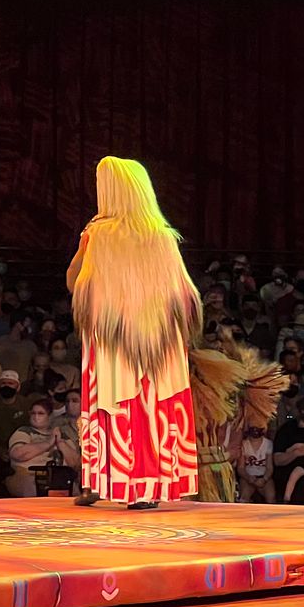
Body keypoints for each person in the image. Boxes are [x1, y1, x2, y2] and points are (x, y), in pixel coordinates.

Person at [66, 156, 200, 509]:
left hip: (112, 339)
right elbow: (183, 298)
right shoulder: (163, 237)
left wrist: (84, 246)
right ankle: (145, 487)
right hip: (158, 342)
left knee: (109, 405)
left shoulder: (99, 235)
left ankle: (100, 480)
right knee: (149, 411)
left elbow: (75, 284)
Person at [6, 397, 80, 497]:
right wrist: (48, 444)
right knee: (31, 486)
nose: (36, 417)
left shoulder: (61, 435)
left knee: (73, 488)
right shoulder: (24, 431)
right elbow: (18, 454)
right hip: (28, 475)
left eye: (40, 413)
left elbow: (75, 463)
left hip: (59, 476)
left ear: (50, 416)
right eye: (33, 413)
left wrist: (60, 442)